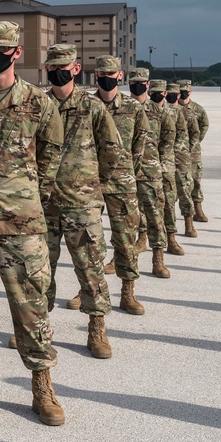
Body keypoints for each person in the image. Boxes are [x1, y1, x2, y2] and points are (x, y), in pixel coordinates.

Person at [0, 21, 65, 426]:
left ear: (18, 53)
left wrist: (29, 196)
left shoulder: (39, 103)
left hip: (22, 222)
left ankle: (42, 384)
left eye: (2, 48)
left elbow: (49, 159)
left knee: (31, 306)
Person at [44, 44, 121, 359]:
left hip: (83, 203)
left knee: (90, 268)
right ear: (46, 69)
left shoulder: (93, 108)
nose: (58, 71)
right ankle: (38, 329)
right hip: (43, 203)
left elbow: (112, 149)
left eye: (64, 66)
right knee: (37, 271)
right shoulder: (38, 105)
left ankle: (96, 327)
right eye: (53, 66)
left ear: (76, 69)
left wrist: (94, 184)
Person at [93, 57, 146, 315]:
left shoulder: (133, 108)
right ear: (95, 75)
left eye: (111, 73)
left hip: (123, 184)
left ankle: (127, 292)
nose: (106, 77)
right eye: (102, 73)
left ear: (120, 75)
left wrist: (125, 170)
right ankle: (90, 291)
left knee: (125, 240)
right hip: (88, 182)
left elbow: (140, 145)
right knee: (89, 243)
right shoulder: (87, 105)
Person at [127, 68, 171, 277]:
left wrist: (158, 162)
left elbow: (169, 137)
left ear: (148, 83)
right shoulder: (122, 107)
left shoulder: (159, 111)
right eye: (133, 81)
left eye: (141, 81)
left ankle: (158, 259)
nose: (137, 85)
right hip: (124, 172)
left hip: (150, 172)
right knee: (125, 221)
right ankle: (125, 258)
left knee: (155, 217)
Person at [147, 80, 187, 257]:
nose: (157, 94)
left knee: (169, 203)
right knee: (144, 205)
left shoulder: (175, 111)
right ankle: (142, 238)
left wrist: (170, 155)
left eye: (160, 92)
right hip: (146, 166)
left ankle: (171, 238)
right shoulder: (142, 110)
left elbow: (181, 135)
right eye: (153, 91)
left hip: (167, 164)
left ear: (165, 93)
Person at [164, 83, 195, 240]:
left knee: (184, 189)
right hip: (163, 159)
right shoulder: (159, 110)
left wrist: (187, 150)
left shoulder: (183, 112)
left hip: (180, 156)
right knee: (167, 194)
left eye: (173, 94)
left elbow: (192, 133)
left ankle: (189, 221)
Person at [178, 80, 210, 225]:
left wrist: (196, 141)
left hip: (193, 152)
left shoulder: (197, 109)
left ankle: (198, 209)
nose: (183, 93)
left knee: (196, 180)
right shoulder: (172, 108)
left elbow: (204, 125)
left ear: (190, 92)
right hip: (176, 152)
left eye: (185, 91)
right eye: (181, 90)